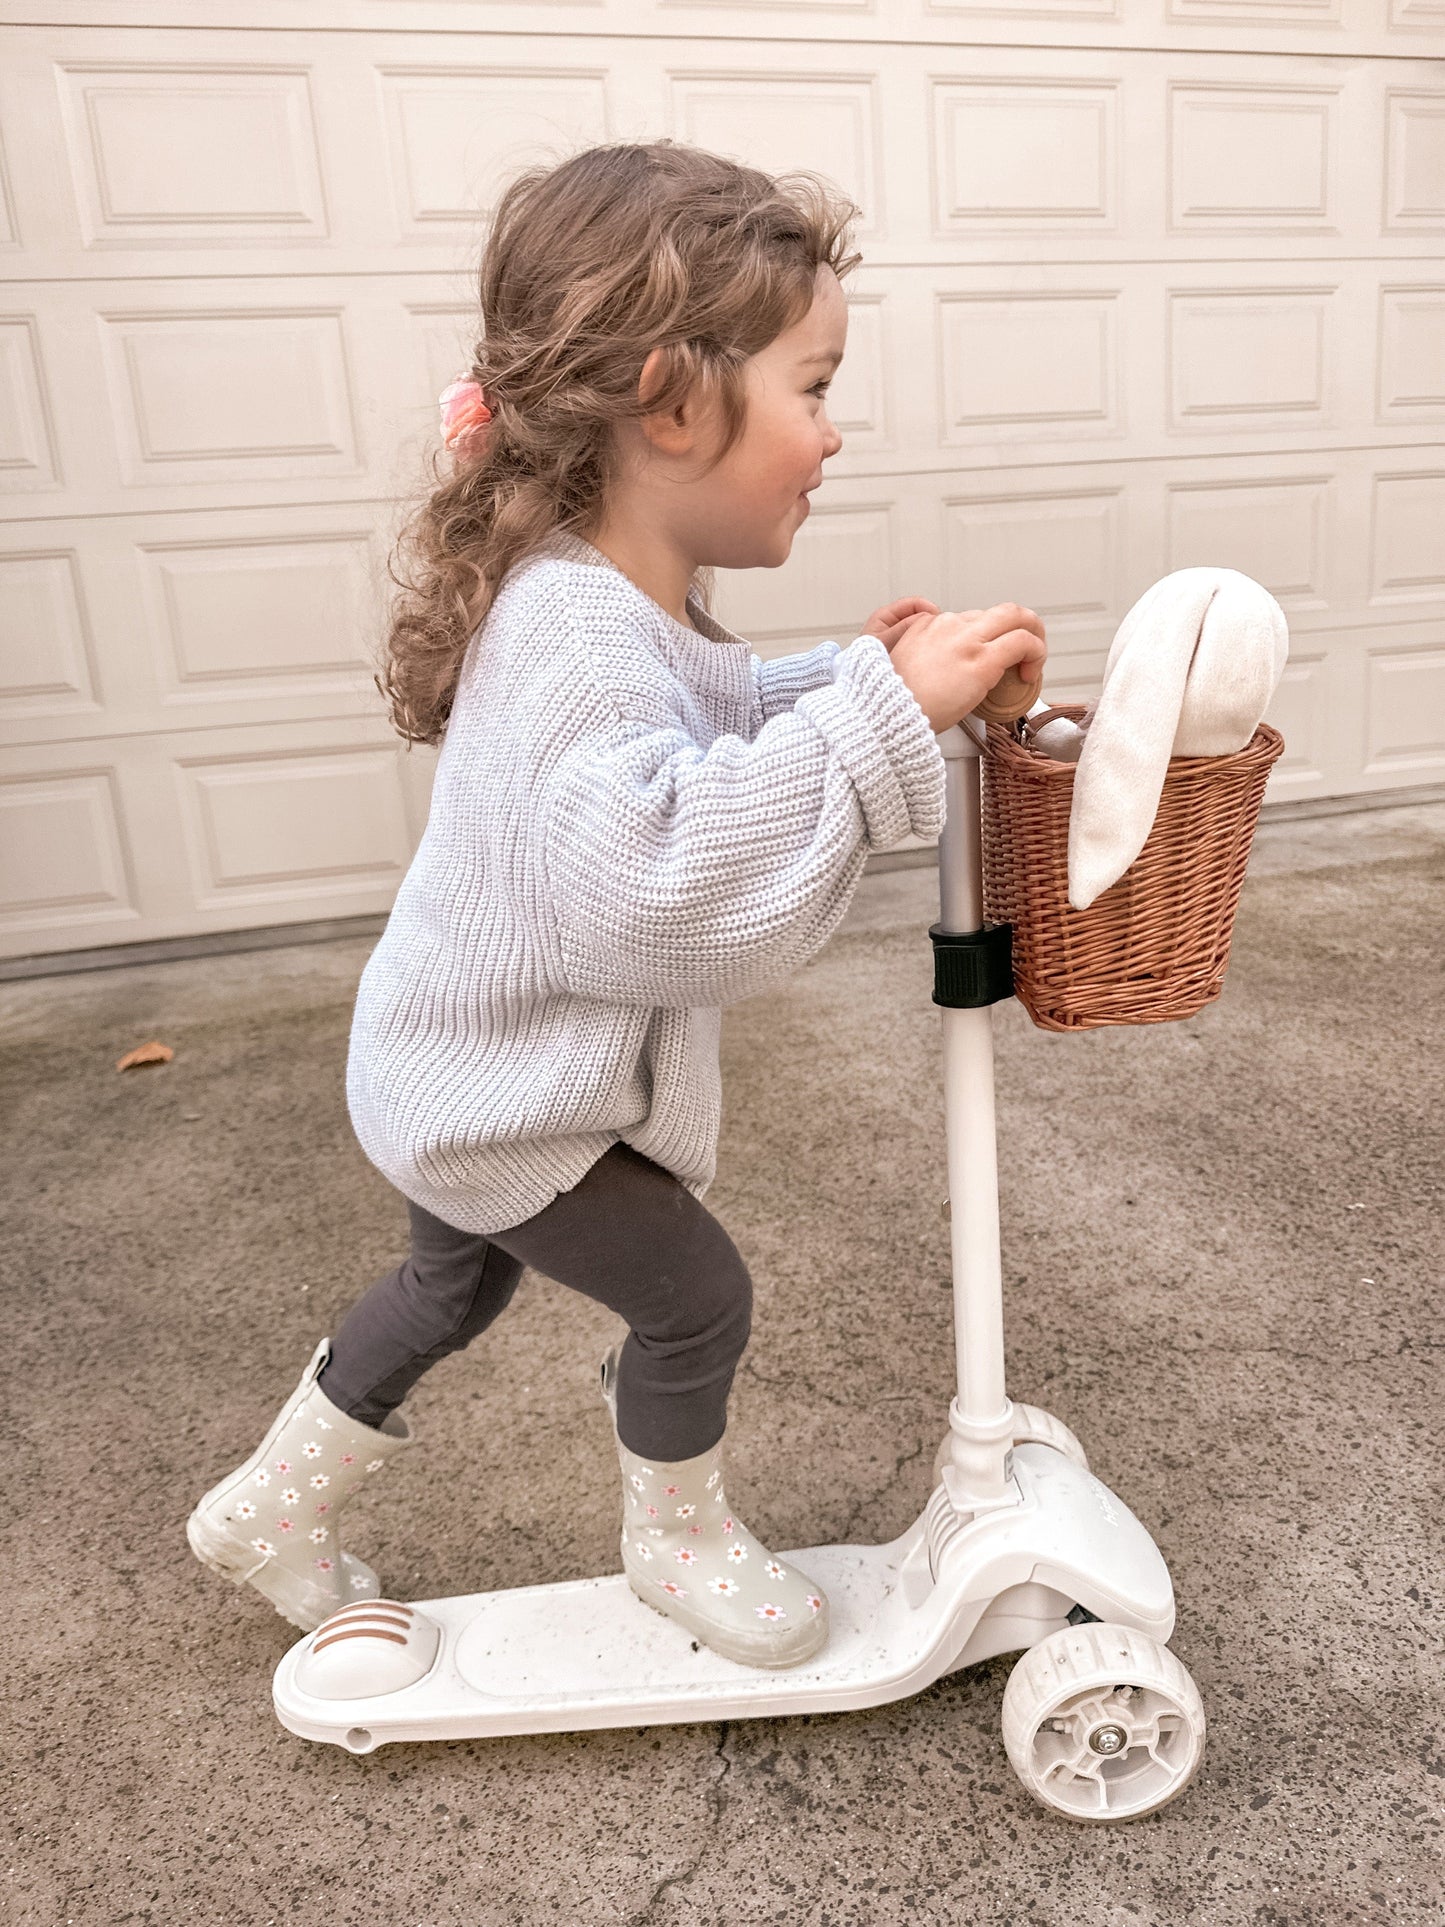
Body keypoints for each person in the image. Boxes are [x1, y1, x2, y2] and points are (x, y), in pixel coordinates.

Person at [187, 139, 1047, 1669]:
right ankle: (676, 1541)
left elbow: (707, 716)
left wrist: (876, 693)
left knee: (441, 1291)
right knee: (696, 1299)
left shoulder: (595, 598)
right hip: (505, 1103)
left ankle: (268, 1507)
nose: (833, 436)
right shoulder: (578, 633)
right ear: (670, 401)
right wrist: (871, 723)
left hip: (443, 1066)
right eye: (815, 386)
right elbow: (659, 895)